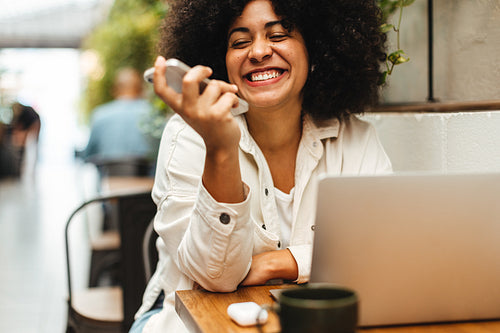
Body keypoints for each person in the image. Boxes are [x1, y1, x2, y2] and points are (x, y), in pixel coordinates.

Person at [130, 0, 392, 332]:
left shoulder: (357, 139)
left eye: (279, 34)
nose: (258, 51)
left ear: (317, 49)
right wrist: (220, 148)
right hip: (184, 322)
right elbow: (215, 276)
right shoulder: (190, 136)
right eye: (239, 41)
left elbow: (380, 251)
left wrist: (277, 263)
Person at [78, 67, 153, 165]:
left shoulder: (100, 115)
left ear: (115, 89)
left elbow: (88, 154)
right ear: (141, 89)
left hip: (108, 178)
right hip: (147, 179)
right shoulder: (153, 114)